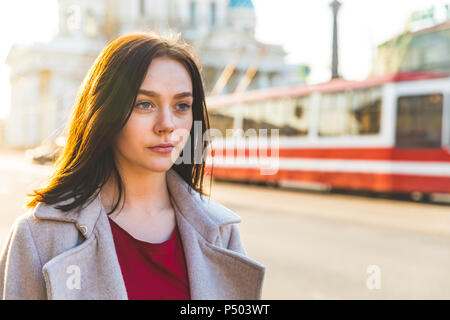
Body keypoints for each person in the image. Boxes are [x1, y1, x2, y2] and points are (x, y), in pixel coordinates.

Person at [0, 31, 265, 300]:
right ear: (105, 112)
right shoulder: (38, 236)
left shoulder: (221, 231)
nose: (167, 124)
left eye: (182, 106)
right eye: (145, 104)